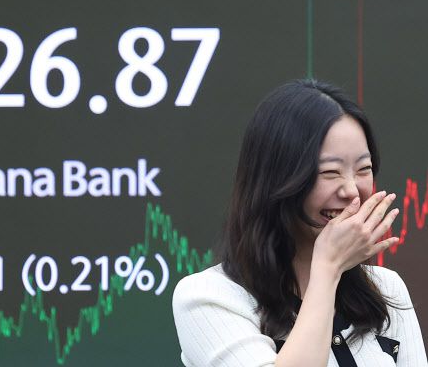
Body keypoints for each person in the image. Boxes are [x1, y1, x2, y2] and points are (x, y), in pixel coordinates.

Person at [172, 80, 427, 366]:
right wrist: (327, 268)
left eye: (363, 169)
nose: (352, 191)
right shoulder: (209, 297)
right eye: (330, 172)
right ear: (277, 179)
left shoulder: (386, 289)